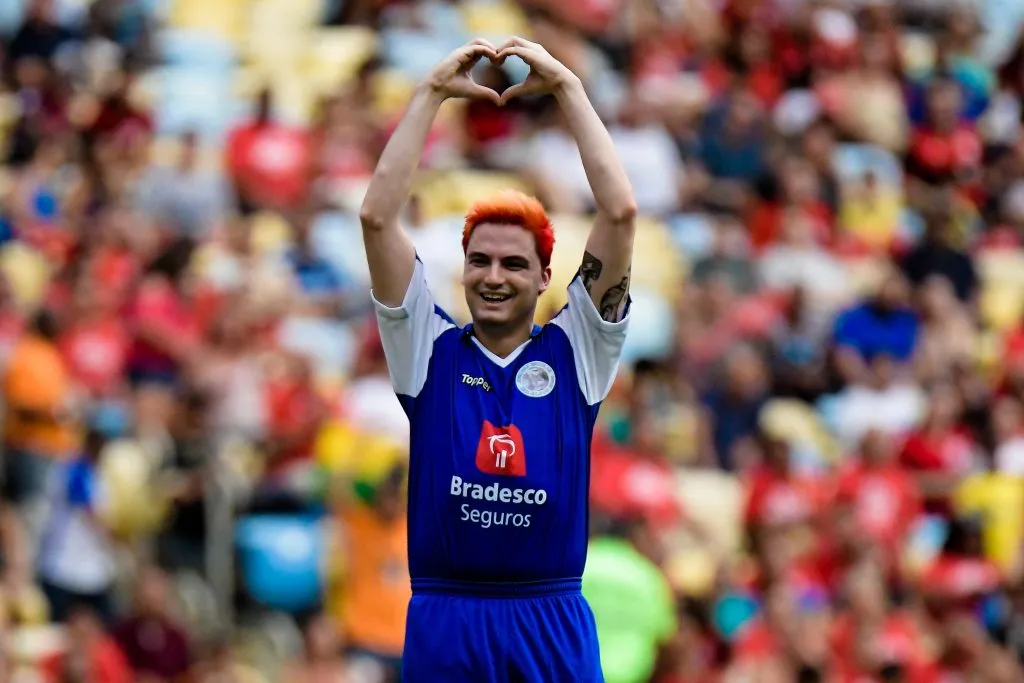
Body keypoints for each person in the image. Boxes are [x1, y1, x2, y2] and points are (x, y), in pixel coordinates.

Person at [359, 36, 637, 682]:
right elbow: (376, 218)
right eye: (480, 259)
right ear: (461, 271)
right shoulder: (427, 348)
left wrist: (568, 88)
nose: (493, 274)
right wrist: (429, 94)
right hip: (446, 617)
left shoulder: (580, 352)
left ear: (545, 277)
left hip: (550, 616)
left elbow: (620, 212)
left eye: (514, 263)